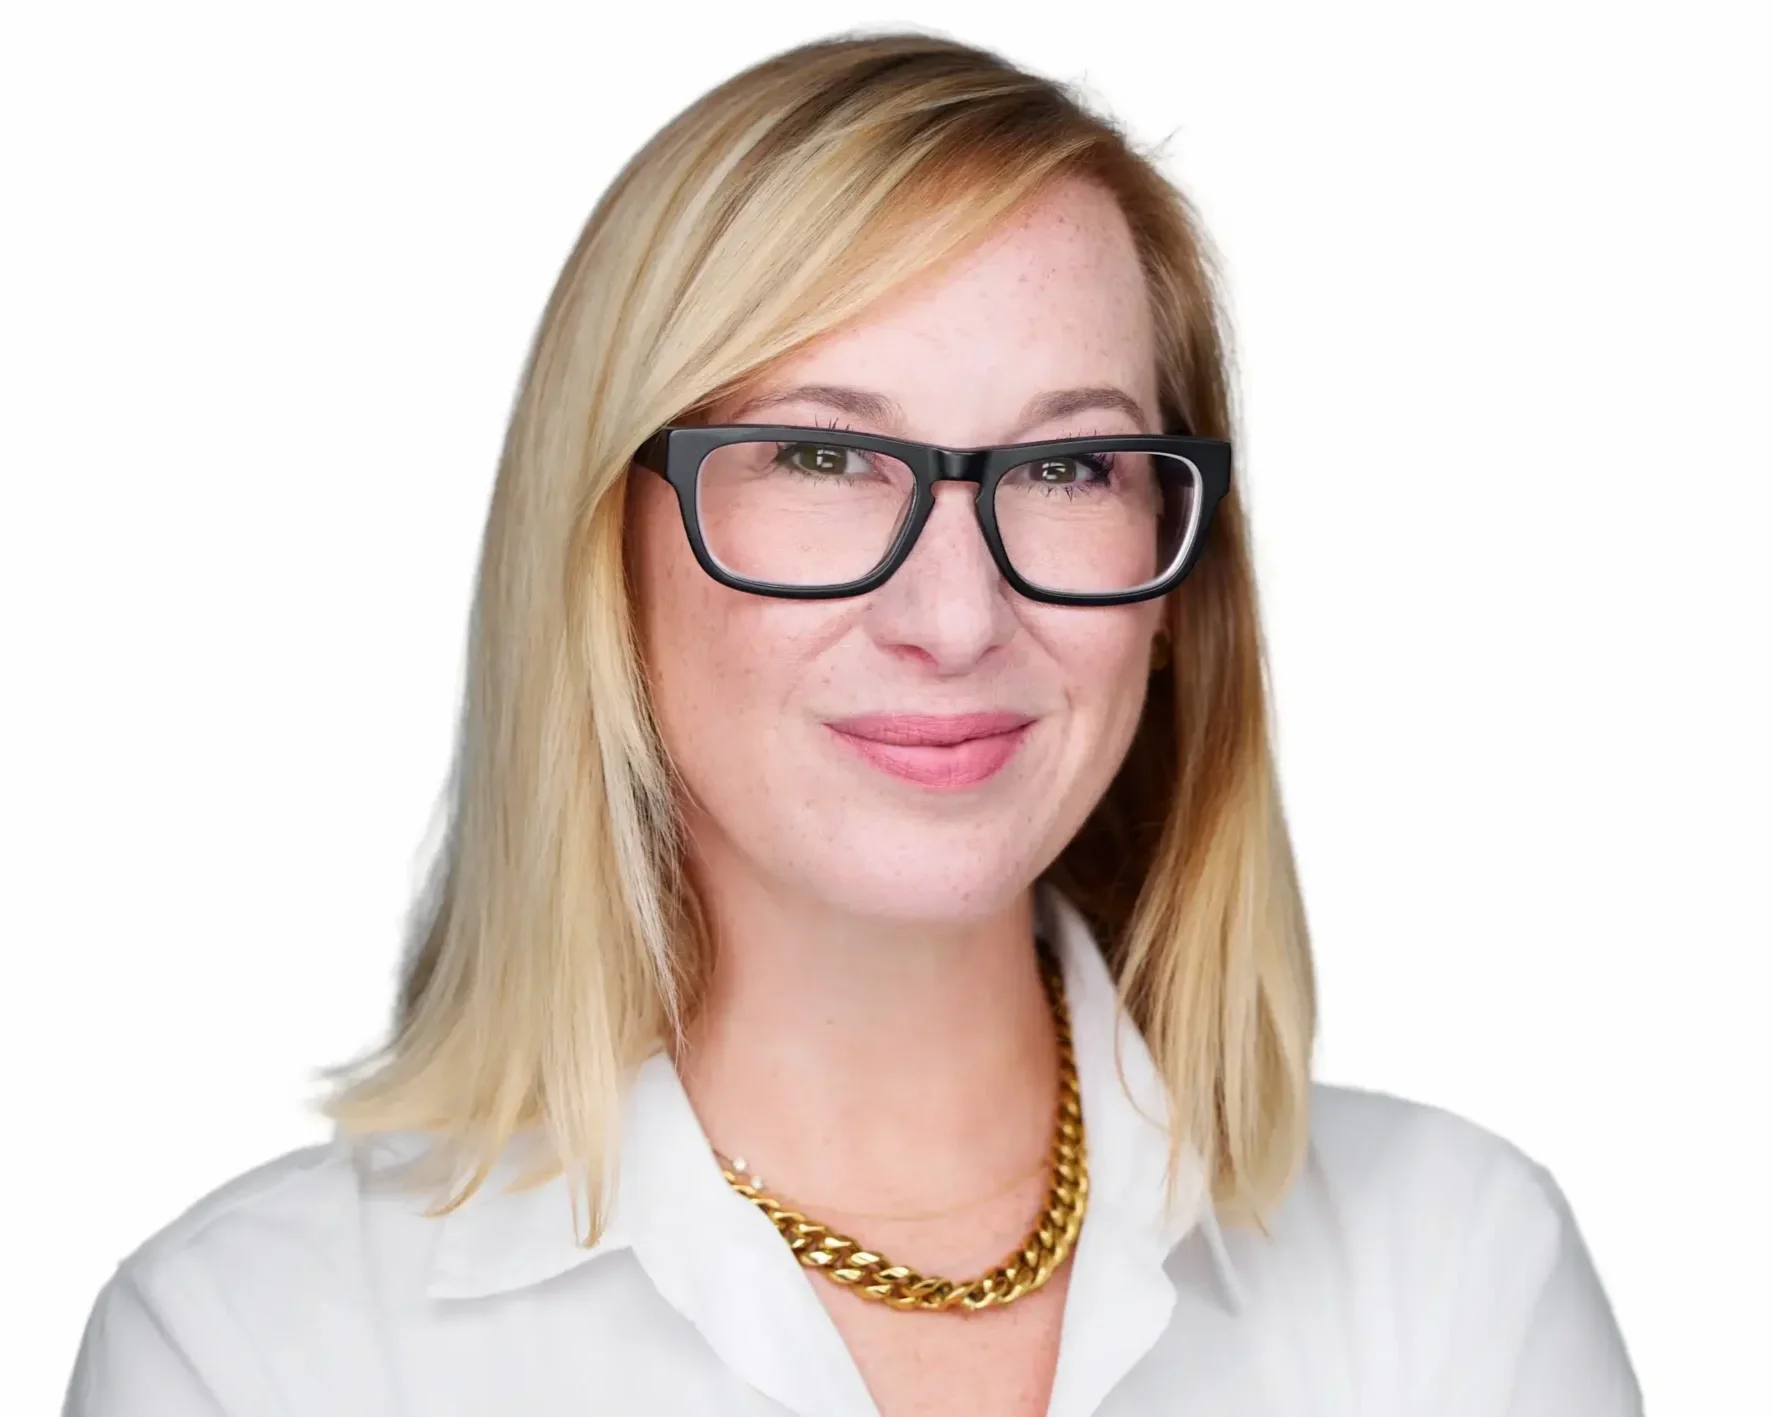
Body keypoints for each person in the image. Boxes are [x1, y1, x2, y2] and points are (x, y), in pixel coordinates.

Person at [62, 28, 1642, 1417]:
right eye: (822, 460)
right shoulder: (257, 1354)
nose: (954, 618)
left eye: (1070, 467)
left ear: (1176, 592)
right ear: (608, 547)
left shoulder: (1456, 1279)